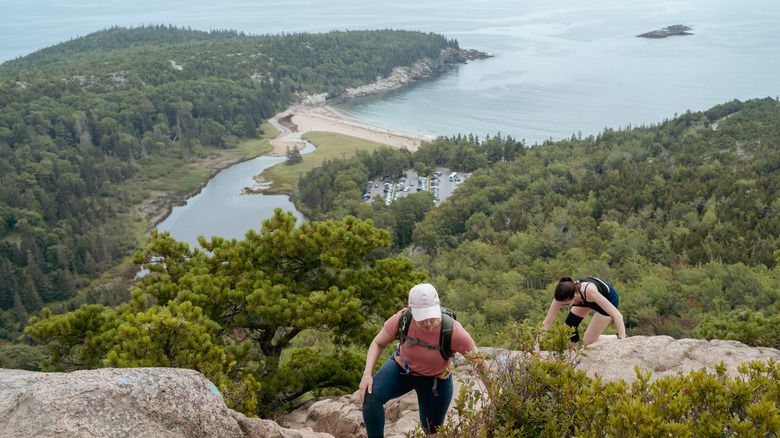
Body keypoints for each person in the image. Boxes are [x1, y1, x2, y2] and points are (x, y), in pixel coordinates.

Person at [359, 283, 487, 437]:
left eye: (431, 317)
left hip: (435, 381)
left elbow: (480, 364)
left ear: (438, 305)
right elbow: (377, 343)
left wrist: (497, 398)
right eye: (421, 318)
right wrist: (367, 374)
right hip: (402, 369)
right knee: (370, 397)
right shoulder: (402, 319)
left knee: (431, 431)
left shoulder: (454, 332)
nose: (427, 323)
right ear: (410, 310)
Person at [536, 276, 626, 354]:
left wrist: (623, 342)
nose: (563, 307)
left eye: (566, 305)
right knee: (569, 327)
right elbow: (547, 322)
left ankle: (618, 337)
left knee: (588, 341)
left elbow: (618, 316)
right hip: (585, 300)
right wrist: (536, 345)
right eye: (560, 304)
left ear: (574, 296)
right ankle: (573, 352)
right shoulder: (560, 296)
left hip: (607, 298)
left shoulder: (589, 292)